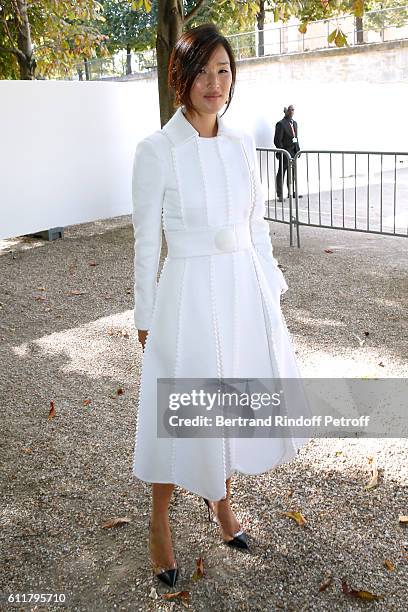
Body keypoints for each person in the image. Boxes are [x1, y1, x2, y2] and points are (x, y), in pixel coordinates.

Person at [132, 24, 311, 588]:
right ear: (181, 78)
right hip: (185, 293)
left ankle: (221, 503)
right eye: (204, 71)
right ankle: (159, 521)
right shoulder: (156, 150)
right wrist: (142, 315)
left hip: (240, 287)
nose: (215, 83)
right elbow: (144, 241)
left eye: (224, 70)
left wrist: (272, 288)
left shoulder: (240, 146)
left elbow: (255, 225)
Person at [274, 105, 302, 201]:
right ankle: (280, 195)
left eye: (293, 110)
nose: (291, 112)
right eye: (289, 110)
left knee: (293, 174)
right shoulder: (281, 124)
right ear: (285, 111)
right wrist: (282, 151)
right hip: (285, 153)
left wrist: (298, 149)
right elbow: (277, 140)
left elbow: (295, 137)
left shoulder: (295, 123)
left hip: (294, 152)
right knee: (282, 173)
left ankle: (292, 192)